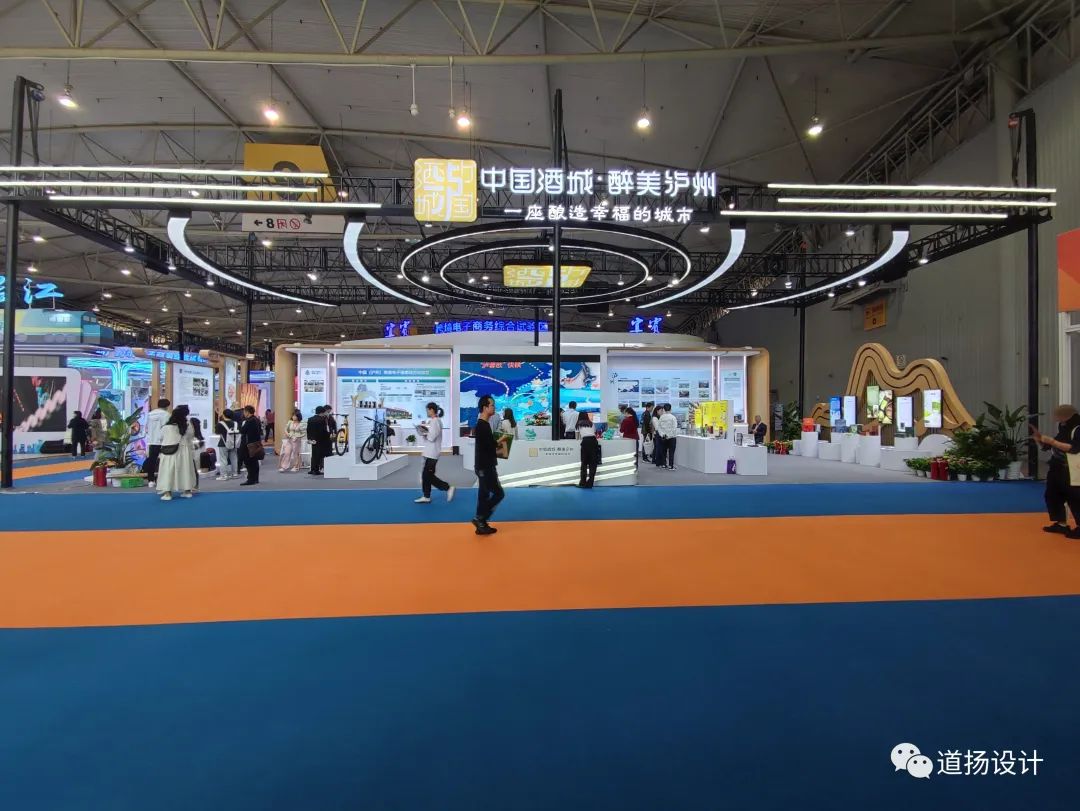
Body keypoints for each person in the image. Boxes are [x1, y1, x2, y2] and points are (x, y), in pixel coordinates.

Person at [1031, 404, 1080, 538]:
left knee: (1075, 497)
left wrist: (1052, 442)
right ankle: (1061, 524)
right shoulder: (1063, 427)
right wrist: (1040, 440)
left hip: (1071, 468)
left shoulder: (1077, 429)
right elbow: (1050, 446)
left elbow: (1074, 448)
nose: (1058, 420)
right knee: (1052, 495)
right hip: (1057, 466)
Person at [473, 394, 508, 536]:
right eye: (492, 405)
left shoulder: (483, 424)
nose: (494, 407)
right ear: (485, 407)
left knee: (484, 495)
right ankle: (480, 518)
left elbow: (488, 445)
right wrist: (502, 439)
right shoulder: (483, 426)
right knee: (498, 493)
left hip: (483, 465)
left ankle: (481, 523)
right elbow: (490, 446)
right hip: (485, 466)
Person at [416, 402, 455, 504]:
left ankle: (448, 488)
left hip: (432, 453)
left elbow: (432, 437)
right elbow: (431, 436)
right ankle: (426, 496)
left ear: (432, 410)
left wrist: (424, 432)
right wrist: (425, 433)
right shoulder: (434, 421)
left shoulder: (435, 421)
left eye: (427, 410)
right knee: (427, 476)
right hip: (430, 452)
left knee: (428, 476)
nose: (427, 412)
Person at [156, 404, 196, 501]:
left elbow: (160, 438)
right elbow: (191, 436)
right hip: (184, 450)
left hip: (168, 451)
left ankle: (167, 493)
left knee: (167, 471)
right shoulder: (187, 425)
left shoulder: (166, 426)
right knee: (185, 470)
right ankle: (187, 491)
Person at [144, 398, 170, 484]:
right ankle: (163, 480)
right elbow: (167, 428)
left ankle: (150, 481)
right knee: (165, 461)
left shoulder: (150, 414)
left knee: (152, 461)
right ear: (167, 406)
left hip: (152, 441)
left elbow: (146, 428)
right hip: (163, 441)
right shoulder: (167, 415)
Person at [236, 405, 263, 486]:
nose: (243, 413)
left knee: (249, 462)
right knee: (255, 461)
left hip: (248, 444)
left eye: (244, 412)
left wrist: (241, 425)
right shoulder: (256, 419)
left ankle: (250, 479)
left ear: (247, 412)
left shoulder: (249, 421)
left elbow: (242, 431)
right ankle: (255, 478)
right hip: (256, 443)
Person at [578, 414, 601, 488]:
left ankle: (582, 482)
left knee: (584, 463)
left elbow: (577, 436)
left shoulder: (579, 424)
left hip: (585, 442)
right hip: (593, 441)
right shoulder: (591, 423)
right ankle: (590, 482)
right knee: (593, 463)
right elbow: (594, 432)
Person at [216, 409, 240, 480]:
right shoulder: (235, 423)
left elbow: (217, 432)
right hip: (234, 443)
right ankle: (235, 474)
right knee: (234, 458)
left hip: (223, 443)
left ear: (223, 415)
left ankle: (224, 475)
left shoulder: (220, 424)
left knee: (223, 459)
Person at [307, 406, 331, 475]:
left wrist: (310, 438)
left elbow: (308, 430)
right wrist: (328, 436)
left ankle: (312, 469)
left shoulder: (310, 419)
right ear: (322, 412)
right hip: (321, 440)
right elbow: (323, 431)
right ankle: (316, 470)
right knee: (319, 455)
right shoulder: (322, 420)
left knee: (314, 454)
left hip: (313, 439)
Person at [656, 404, 679, 470]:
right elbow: (674, 427)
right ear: (670, 409)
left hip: (663, 437)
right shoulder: (673, 417)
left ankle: (664, 464)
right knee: (671, 452)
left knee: (664, 451)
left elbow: (659, 427)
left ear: (664, 409)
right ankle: (671, 466)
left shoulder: (661, 417)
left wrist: (662, 434)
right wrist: (669, 435)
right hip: (672, 437)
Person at [652, 404, 667, 468]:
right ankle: (659, 462)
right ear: (657, 411)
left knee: (660, 449)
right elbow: (657, 427)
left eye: (662, 411)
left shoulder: (660, 417)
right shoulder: (655, 418)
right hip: (658, 434)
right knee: (659, 449)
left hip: (661, 434)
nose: (662, 412)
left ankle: (660, 462)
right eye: (661, 411)